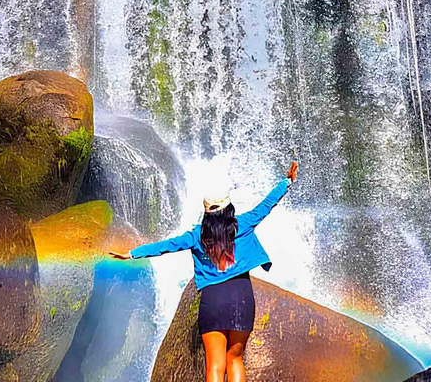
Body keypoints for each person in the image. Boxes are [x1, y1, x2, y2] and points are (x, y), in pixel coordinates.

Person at [109, 161, 299, 382]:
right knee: (235, 359)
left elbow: (165, 246)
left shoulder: (196, 235)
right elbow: (267, 204)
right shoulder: (244, 223)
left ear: (207, 214)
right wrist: (287, 181)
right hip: (241, 296)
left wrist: (132, 253)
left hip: (213, 300)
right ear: (229, 209)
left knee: (215, 366)